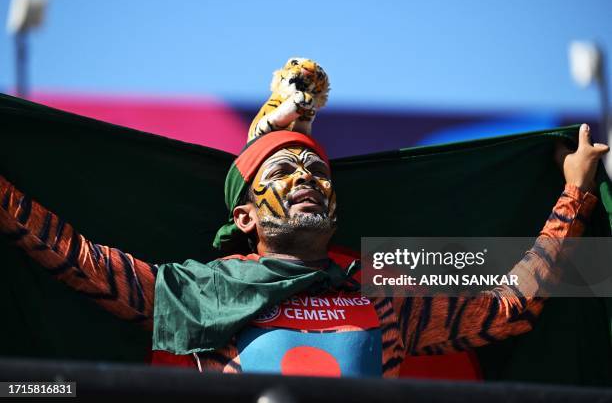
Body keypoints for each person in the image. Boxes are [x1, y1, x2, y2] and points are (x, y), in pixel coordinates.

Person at [0, 124, 608, 378]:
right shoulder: (199, 289)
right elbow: (70, 253)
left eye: (319, 173)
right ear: (243, 216)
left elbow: (511, 307)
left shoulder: (383, 285)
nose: (309, 179)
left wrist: (576, 192)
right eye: (286, 169)